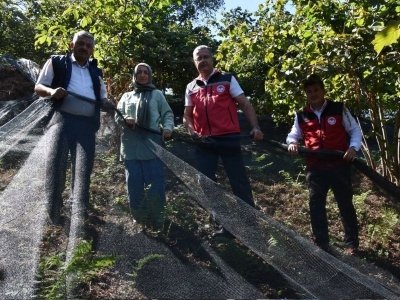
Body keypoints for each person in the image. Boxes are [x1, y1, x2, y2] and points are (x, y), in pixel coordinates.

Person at [35, 30, 115, 226]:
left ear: (92, 50)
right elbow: (38, 87)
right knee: (56, 166)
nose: (84, 48)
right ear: (72, 45)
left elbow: (102, 97)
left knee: (82, 170)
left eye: (88, 46)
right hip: (61, 122)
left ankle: (79, 210)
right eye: (81, 43)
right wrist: (52, 91)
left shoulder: (96, 72)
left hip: (87, 126)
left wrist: (106, 103)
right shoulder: (57, 62)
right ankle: (54, 213)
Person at [183, 45, 263, 235]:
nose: (202, 61)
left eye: (206, 57)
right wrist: (191, 131)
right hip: (204, 142)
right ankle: (224, 226)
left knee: (238, 182)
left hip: (229, 138)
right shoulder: (191, 87)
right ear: (195, 63)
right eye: (198, 58)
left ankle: (251, 226)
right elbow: (187, 115)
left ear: (212, 59)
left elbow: (244, 104)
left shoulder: (227, 79)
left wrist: (256, 127)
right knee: (206, 183)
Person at [286, 74, 362, 255]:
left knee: (345, 204)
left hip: (339, 165)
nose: (313, 94)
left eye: (316, 90)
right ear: (306, 94)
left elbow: (355, 130)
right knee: (316, 204)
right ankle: (322, 244)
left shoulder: (338, 108)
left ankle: (352, 245)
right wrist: (292, 143)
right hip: (315, 167)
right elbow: (292, 135)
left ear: (323, 90)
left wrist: (353, 148)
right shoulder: (302, 115)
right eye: (309, 91)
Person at [115, 63, 174, 229]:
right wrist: (125, 118)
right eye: (139, 72)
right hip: (130, 147)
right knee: (134, 185)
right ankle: (139, 218)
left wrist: (168, 128)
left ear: (149, 75)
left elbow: (167, 114)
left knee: (156, 184)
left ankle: (158, 218)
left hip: (152, 147)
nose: (142, 75)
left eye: (145, 72)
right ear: (134, 75)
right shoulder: (126, 96)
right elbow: (117, 115)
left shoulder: (157, 95)